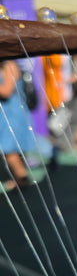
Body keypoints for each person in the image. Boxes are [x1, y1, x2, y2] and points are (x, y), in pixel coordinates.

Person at [0, 60, 34, 190]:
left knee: (8, 148)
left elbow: (7, 90)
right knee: (12, 148)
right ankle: (20, 178)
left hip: (12, 113)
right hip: (5, 113)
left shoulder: (10, 65)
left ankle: (22, 178)